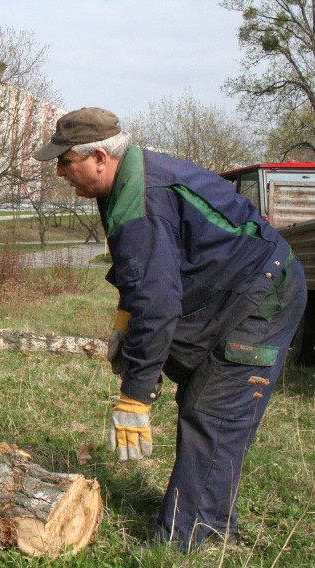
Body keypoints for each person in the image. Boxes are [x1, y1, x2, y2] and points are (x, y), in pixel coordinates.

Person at [33, 107, 306, 550]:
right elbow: (140, 275)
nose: (62, 172)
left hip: (263, 298)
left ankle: (184, 542)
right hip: (233, 289)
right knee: (207, 402)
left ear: (99, 156)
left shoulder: (143, 198)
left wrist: (135, 396)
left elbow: (158, 303)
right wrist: (126, 319)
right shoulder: (125, 182)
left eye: (66, 162)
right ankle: (212, 522)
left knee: (213, 412)